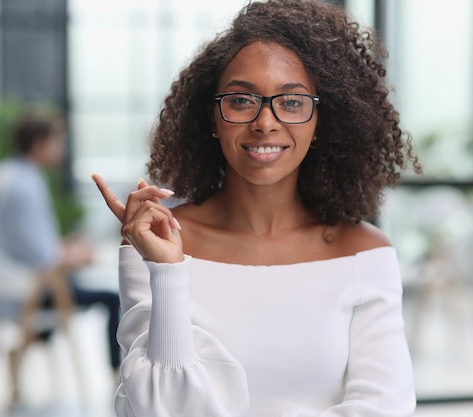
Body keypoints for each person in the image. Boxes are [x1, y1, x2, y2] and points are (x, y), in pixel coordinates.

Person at [91, 1, 422, 416]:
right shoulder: (157, 244)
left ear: (321, 122)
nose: (265, 122)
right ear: (212, 117)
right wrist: (169, 272)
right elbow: (156, 410)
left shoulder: (363, 254)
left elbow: (383, 408)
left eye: (292, 102)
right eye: (242, 100)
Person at [0, 112, 121, 405]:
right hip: (31, 288)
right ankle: (119, 378)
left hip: (17, 280)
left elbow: (28, 241)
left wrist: (64, 249)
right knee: (113, 298)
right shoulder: (25, 186)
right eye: (57, 141)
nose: (61, 148)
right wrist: (73, 255)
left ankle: (24, 347)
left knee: (71, 288)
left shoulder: (11, 174)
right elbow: (41, 255)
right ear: (39, 144)